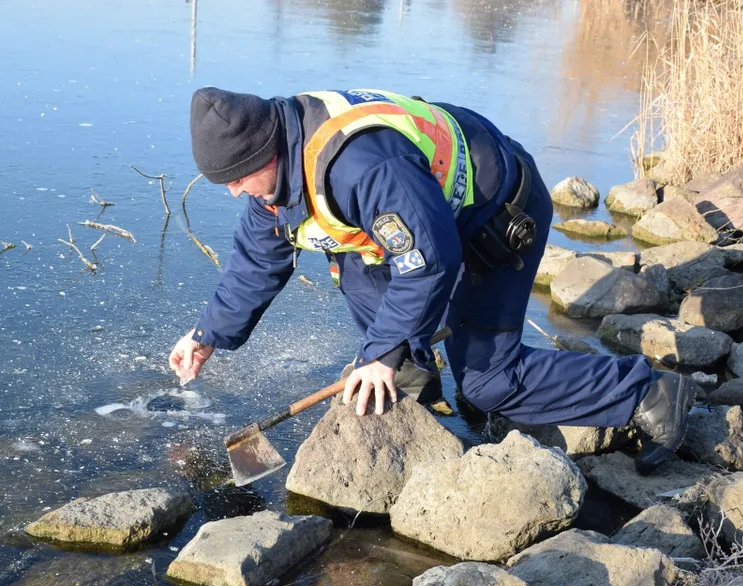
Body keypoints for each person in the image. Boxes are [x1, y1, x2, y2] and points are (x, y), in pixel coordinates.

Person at [167, 87, 693, 474]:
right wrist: (207, 335)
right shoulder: (273, 181)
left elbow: (429, 259)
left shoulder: (362, 166)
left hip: (495, 213)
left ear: (268, 153)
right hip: (424, 216)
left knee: (489, 382)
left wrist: (380, 351)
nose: (235, 193)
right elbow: (257, 262)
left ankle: (646, 390)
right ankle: (413, 377)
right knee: (359, 272)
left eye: (237, 180)